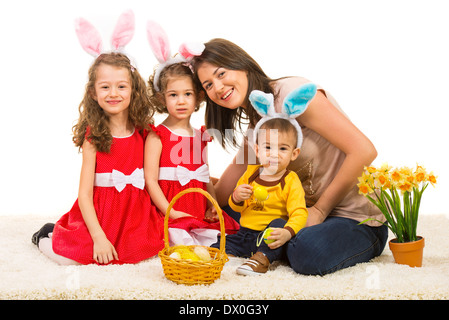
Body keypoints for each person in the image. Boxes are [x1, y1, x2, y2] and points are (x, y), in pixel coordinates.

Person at [192, 38, 389, 276]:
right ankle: (272, 242)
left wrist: (319, 212)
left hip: (354, 218)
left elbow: (364, 150)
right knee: (233, 211)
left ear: (241, 64)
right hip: (298, 214)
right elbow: (223, 193)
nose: (218, 87)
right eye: (208, 85)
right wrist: (182, 172)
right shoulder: (257, 125)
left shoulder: (293, 95)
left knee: (306, 252)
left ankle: (271, 245)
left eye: (221, 73)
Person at [32, 11, 164, 265]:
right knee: (75, 259)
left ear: (133, 90)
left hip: (133, 215)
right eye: (105, 87)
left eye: (121, 86)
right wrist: (99, 236)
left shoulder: (145, 132)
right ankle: (45, 237)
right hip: (100, 214)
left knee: (142, 254)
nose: (113, 93)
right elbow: (84, 194)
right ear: (93, 92)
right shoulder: (94, 138)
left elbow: (150, 180)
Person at [144, 22, 239, 246]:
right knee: (182, 243)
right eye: (173, 95)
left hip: (196, 206)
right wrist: (171, 212)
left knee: (223, 240)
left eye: (187, 94)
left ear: (198, 97)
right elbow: (150, 180)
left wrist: (212, 206)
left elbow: (204, 177)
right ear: (161, 98)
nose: (181, 101)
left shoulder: (201, 136)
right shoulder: (158, 135)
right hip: (168, 208)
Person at [211, 86, 313, 275]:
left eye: (282, 149)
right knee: (218, 244)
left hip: (269, 235)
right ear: (257, 150)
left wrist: (288, 232)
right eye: (268, 148)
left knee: (277, 225)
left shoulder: (290, 180)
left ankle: (262, 258)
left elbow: (299, 212)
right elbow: (237, 208)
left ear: (294, 153)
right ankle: (233, 254)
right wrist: (237, 197)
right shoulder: (251, 174)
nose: (274, 155)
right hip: (246, 233)